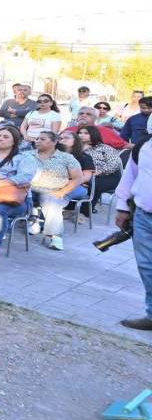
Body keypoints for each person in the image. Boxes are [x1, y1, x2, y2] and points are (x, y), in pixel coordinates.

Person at [0, 126, 37, 262]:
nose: (0, 138)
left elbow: (24, 178)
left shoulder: (24, 157)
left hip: (16, 200)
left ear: (14, 141)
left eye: (6, 137)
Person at [114, 139, 152, 330]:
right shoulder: (144, 145)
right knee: (147, 266)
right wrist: (122, 207)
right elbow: (130, 176)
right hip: (144, 215)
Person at [28, 131, 85, 251]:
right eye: (37, 138)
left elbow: (78, 178)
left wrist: (62, 192)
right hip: (28, 189)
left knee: (51, 201)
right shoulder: (28, 155)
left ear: (54, 142)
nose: (37, 141)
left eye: (42, 139)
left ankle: (55, 237)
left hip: (53, 190)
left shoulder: (66, 157)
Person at [75, 126, 123, 214]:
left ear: (93, 135)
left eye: (86, 133)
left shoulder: (103, 148)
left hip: (108, 176)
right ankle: (70, 208)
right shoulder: (76, 148)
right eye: (80, 133)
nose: (81, 135)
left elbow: (115, 163)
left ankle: (85, 211)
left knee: (93, 183)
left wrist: (98, 172)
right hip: (85, 174)